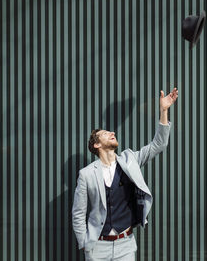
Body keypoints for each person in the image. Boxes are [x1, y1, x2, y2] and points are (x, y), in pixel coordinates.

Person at [72, 88, 179, 261]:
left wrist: (164, 111)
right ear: (97, 145)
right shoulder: (86, 175)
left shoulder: (130, 160)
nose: (112, 133)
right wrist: (84, 244)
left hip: (125, 244)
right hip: (97, 247)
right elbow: (78, 213)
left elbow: (158, 145)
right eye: (106, 134)